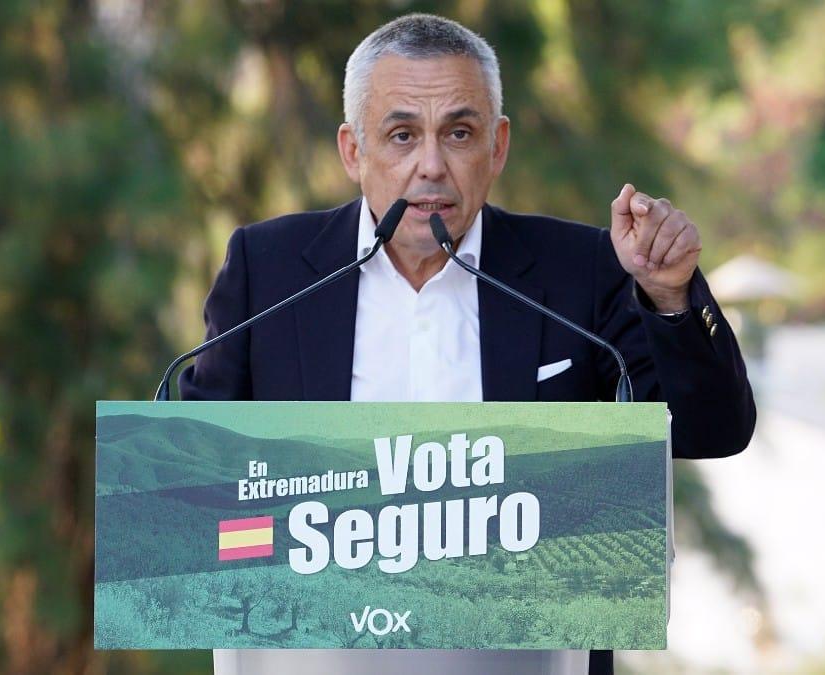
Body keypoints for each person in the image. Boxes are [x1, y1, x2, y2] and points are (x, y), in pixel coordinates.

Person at [180, 13, 756, 675]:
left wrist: (669, 294)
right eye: (401, 135)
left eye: (459, 132)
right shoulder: (270, 269)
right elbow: (191, 487)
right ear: (352, 151)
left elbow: (713, 428)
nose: (431, 165)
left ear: (498, 146)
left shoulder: (582, 269)